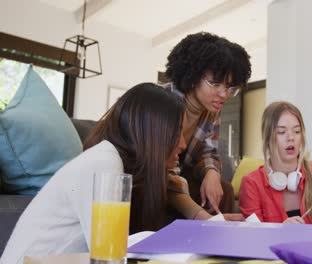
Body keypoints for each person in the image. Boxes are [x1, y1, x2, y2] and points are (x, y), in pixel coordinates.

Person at [0, 83, 186, 264]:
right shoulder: (104, 162)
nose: (183, 144)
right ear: (153, 131)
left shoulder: (117, 166)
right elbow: (110, 253)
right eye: (178, 132)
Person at [164, 32, 251, 219]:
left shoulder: (212, 110)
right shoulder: (165, 102)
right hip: (154, 175)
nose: (224, 94)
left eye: (230, 87)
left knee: (225, 189)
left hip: (182, 172)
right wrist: (203, 217)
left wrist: (212, 172)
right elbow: (164, 172)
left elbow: (209, 150)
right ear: (192, 75)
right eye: (215, 83)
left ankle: (216, 241)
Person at [238, 101, 312, 234]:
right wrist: (280, 232)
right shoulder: (252, 184)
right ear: (268, 138)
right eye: (281, 132)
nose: (291, 138)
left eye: (297, 131)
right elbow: (255, 240)